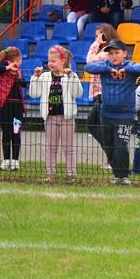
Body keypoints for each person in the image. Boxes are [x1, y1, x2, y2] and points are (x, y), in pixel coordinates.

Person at [84, 39, 140, 184]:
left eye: (117, 53)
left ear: (124, 54)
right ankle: (117, 175)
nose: (113, 56)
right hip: (106, 114)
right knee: (109, 146)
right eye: (111, 53)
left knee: (121, 146)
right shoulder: (105, 66)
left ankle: (123, 176)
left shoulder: (131, 66)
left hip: (124, 115)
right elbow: (88, 67)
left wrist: (127, 70)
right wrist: (108, 70)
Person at [29, 45, 84, 181]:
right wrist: (35, 78)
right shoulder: (45, 76)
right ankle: (50, 174)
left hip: (67, 118)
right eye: (49, 61)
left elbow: (78, 94)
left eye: (54, 61)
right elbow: (34, 94)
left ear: (63, 61)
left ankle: (71, 174)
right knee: (51, 148)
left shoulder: (70, 75)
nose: (51, 63)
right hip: (50, 118)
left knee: (68, 148)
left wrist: (72, 77)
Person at [85, 23, 120, 170]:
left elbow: (89, 61)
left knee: (99, 125)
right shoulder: (102, 50)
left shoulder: (108, 52)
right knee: (93, 124)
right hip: (97, 93)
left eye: (99, 35)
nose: (97, 38)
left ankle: (112, 157)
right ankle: (111, 155)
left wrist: (96, 43)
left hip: (104, 93)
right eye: (96, 36)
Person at [0, 46, 26, 171]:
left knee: (16, 132)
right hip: (5, 106)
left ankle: (15, 160)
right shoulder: (4, 66)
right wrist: (7, 68)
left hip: (17, 107)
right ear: (17, 58)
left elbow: (23, 84)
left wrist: (19, 77)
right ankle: (6, 159)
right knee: (6, 132)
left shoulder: (18, 70)